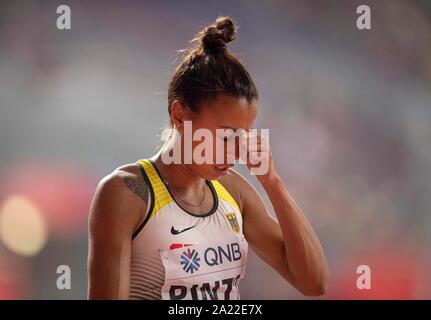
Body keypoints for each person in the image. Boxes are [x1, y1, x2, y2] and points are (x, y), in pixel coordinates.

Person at [87, 16, 330, 300]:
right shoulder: (126, 193)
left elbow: (315, 283)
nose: (236, 150)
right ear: (179, 116)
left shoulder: (233, 191)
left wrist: (272, 182)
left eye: (243, 136)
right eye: (226, 135)